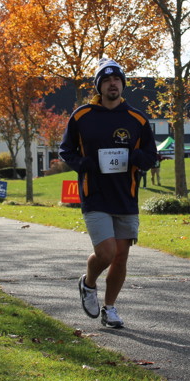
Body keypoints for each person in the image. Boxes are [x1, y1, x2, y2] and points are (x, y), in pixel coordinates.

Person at [60, 59, 155, 329]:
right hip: (95, 195)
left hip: (126, 196)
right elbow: (66, 150)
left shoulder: (137, 119)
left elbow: (151, 156)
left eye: (117, 80)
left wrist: (136, 157)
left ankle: (110, 308)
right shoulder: (82, 116)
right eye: (106, 80)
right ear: (99, 86)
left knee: (121, 256)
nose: (112, 84)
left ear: (122, 85)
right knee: (106, 253)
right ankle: (88, 283)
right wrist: (83, 164)